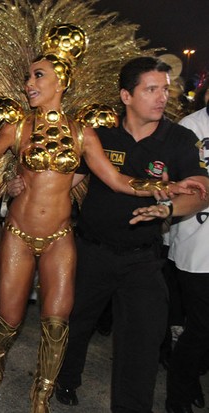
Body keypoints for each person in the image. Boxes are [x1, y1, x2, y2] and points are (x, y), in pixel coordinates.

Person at [0, 29, 205, 413]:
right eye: (28, 77)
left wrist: (167, 188)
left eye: (37, 75)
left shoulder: (83, 133)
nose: (29, 84)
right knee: (9, 316)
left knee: (57, 322)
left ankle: (43, 391)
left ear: (60, 81)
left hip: (61, 237)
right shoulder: (19, 125)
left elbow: (117, 180)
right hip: (19, 235)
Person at [52, 57, 209, 413]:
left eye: (165, 89)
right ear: (126, 95)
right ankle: (66, 378)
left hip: (143, 261)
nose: (161, 97)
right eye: (151, 89)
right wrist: (27, 189)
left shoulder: (179, 139)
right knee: (75, 324)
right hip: (91, 252)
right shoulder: (101, 134)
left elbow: (201, 189)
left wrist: (168, 209)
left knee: (141, 345)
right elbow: (67, 182)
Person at [163, 83, 209, 413]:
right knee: (201, 326)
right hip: (197, 241)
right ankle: (179, 394)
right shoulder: (191, 128)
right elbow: (181, 186)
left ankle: (189, 372)